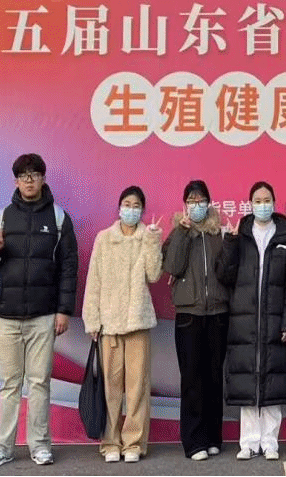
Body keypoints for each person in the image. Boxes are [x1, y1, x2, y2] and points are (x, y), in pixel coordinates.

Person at [0, 153, 78, 468]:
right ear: (16, 181)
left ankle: (40, 446)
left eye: (34, 174)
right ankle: (3, 447)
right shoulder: (2, 217)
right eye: (23, 175)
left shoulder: (59, 219)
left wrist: (63, 311)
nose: (29, 180)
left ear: (43, 179)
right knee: (9, 384)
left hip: (43, 316)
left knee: (39, 383)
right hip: (8, 317)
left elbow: (69, 268)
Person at [216, 181, 286, 462]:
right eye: (258, 200)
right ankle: (248, 442)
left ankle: (269, 442)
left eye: (267, 200)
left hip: (275, 321)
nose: (262, 205)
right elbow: (224, 275)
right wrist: (230, 244)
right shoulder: (240, 236)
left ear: (274, 203)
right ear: (250, 204)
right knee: (247, 381)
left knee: (273, 381)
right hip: (244, 321)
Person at [82, 185, 164, 463]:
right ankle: (110, 442)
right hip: (110, 324)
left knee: (138, 387)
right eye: (127, 205)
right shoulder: (104, 239)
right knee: (111, 388)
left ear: (143, 210)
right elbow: (94, 280)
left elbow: (154, 274)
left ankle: (134, 443)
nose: (131, 210)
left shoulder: (146, 237)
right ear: (119, 208)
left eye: (136, 206)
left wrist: (153, 241)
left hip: (138, 322)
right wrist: (92, 320)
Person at [161, 180, 230, 462]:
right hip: (189, 314)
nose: (197, 205)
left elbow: (227, 271)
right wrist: (183, 232)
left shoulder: (218, 233)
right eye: (191, 200)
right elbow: (172, 266)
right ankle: (193, 441)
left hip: (217, 313)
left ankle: (213, 437)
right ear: (185, 205)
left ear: (209, 203)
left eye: (201, 200)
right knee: (192, 378)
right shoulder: (179, 232)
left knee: (214, 377)